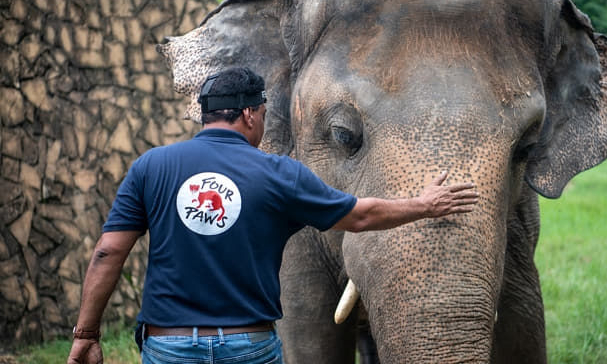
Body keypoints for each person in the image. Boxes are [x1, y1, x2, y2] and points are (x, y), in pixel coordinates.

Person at [67, 67, 479, 364]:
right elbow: (360, 217)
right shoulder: (278, 173)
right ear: (249, 114)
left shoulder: (151, 166)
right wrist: (425, 205)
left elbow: (108, 253)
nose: (263, 121)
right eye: (262, 113)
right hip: (248, 346)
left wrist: (86, 333)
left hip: (169, 345)